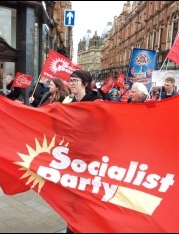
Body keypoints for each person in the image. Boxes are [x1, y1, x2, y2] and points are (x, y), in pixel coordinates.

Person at [62, 70, 102, 233]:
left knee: (84, 196)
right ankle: (74, 225)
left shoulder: (96, 102)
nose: (71, 83)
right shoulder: (70, 102)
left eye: (75, 80)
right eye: (70, 80)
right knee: (74, 195)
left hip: (91, 157)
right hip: (74, 156)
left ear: (85, 83)